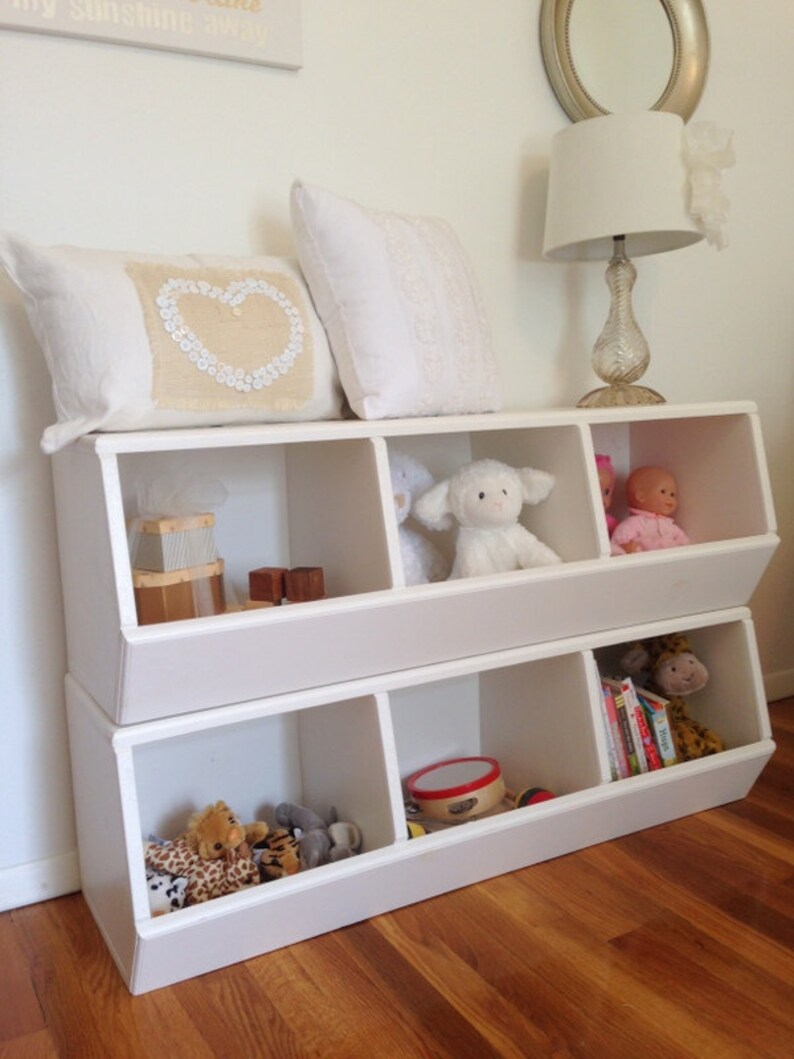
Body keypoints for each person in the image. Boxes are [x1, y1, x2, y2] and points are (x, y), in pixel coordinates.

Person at [611, 465, 689, 555]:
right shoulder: (634, 523)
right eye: (663, 492)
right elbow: (616, 544)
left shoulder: (669, 526)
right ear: (641, 496)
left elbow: (685, 542)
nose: (670, 499)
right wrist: (624, 548)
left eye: (672, 494)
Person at [595, 453, 618, 536]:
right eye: (596, 492)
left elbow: (619, 539)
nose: (602, 499)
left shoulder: (609, 522)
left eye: (606, 492)